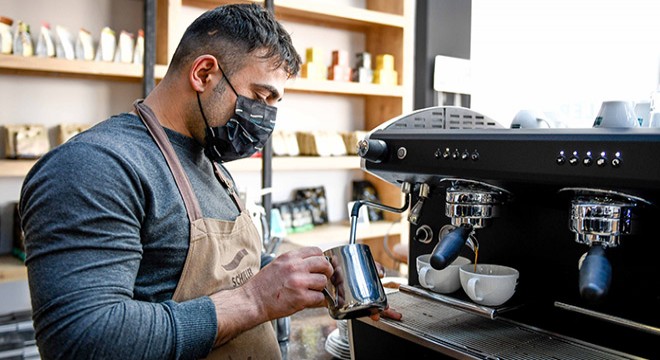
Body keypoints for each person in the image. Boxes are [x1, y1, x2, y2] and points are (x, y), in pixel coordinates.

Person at [19, 3, 400, 359]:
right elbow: (81, 338)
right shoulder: (95, 165)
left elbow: (222, 269)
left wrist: (310, 278)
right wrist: (256, 300)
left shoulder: (209, 158)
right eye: (260, 96)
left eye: (273, 104)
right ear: (203, 73)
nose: (265, 118)